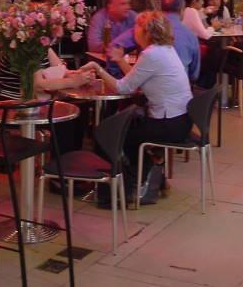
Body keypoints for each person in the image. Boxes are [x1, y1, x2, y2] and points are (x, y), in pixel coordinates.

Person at [82, 11, 192, 205]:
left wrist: (97, 69)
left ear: (148, 32)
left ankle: (121, 192)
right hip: (181, 120)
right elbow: (137, 81)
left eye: (138, 27)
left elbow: (123, 87)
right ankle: (150, 177)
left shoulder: (151, 54)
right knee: (125, 130)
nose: (134, 31)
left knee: (109, 134)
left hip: (168, 124)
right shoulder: (165, 49)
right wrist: (119, 60)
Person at [110, 0, 201, 82]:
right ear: (182, 10)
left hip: (147, 91)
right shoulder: (191, 36)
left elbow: (114, 46)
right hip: (179, 92)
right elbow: (193, 75)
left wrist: (118, 76)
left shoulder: (146, 27)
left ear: (161, 9)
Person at [87, 0, 137, 75]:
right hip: (103, 67)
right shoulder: (99, 18)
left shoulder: (133, 16)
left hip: (130, 66)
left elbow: (143, 43)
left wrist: (117, 48)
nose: (128, 7)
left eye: (128, 3)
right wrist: (124, 48)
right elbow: (93, 45)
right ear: (110, 6)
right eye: (123, 4)